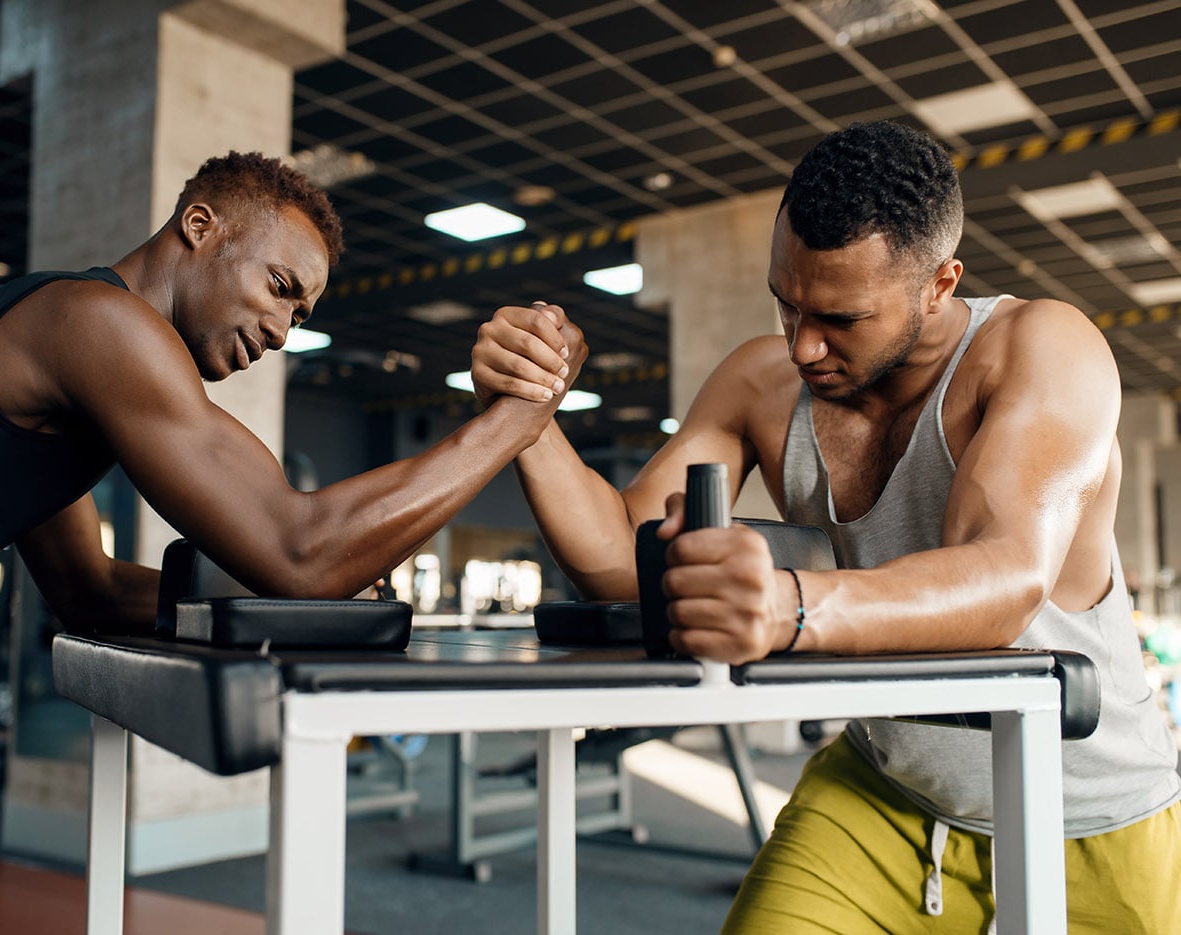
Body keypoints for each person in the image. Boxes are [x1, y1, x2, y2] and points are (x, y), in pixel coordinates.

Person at [0, 150, 586, 935]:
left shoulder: (62, 366)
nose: (281, 328)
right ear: (199, 225)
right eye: (279, 288)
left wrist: (283, 605)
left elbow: (86, 589)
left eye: (301, 316)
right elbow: (300, 549)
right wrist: (521, 414)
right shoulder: (98, 324)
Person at [470, 121, 1181, 932]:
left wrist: (789, 608)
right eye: (786, 301)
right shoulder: (760, 384)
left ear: (941, 284)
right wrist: (524, 410)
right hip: (888, 797)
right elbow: (621, 558)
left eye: (841, 318)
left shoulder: (1042, 348)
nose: (804, 344)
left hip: (1092, 816)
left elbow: (1005, 578)